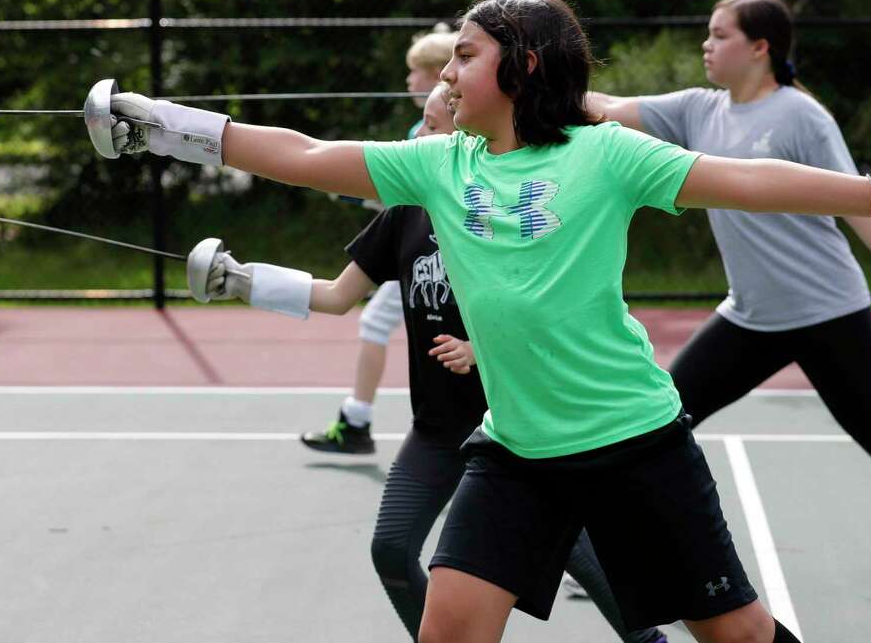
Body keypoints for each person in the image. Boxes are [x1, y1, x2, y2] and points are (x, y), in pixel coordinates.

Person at [103, 0, 871, 643]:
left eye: (465, 52)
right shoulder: (438, 166)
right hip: (517, 451)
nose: (448, 70)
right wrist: (158, 122)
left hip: (633, 442)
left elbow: (759, 181)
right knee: (449, 627)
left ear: (522, 65)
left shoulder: (607, 156)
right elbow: (299, 153)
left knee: (733, 634)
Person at [587, 0, 871, 617]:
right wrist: (541, 85)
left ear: (760, 47)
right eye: (707, 35)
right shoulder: (694, 110)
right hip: (750, 315)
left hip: (827, 312)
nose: (706, 46)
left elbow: (864, 199)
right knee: (658, 422)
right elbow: (605, 107)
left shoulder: (802, 117)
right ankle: (621, 553)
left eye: (719, 35)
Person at [191, 84, 668, 643]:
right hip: (438, 429)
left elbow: (550, 307)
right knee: (391, 549)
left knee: (584, 556)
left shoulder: (510, 209)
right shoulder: (405, 213)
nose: (418, 134)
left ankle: (648, 640)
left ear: (464, 132)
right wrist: (244, 281)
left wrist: (482, 349)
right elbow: (338, 295)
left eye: (430, 122)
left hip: (519, 428)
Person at [305, 23, 461, 455]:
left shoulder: (430, 136)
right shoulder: (426, 130)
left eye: (416, 71)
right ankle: (358, 418)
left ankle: (359, 421)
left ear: (436, 75)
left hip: (438, 255)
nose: (409, 80)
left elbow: (413, 202)